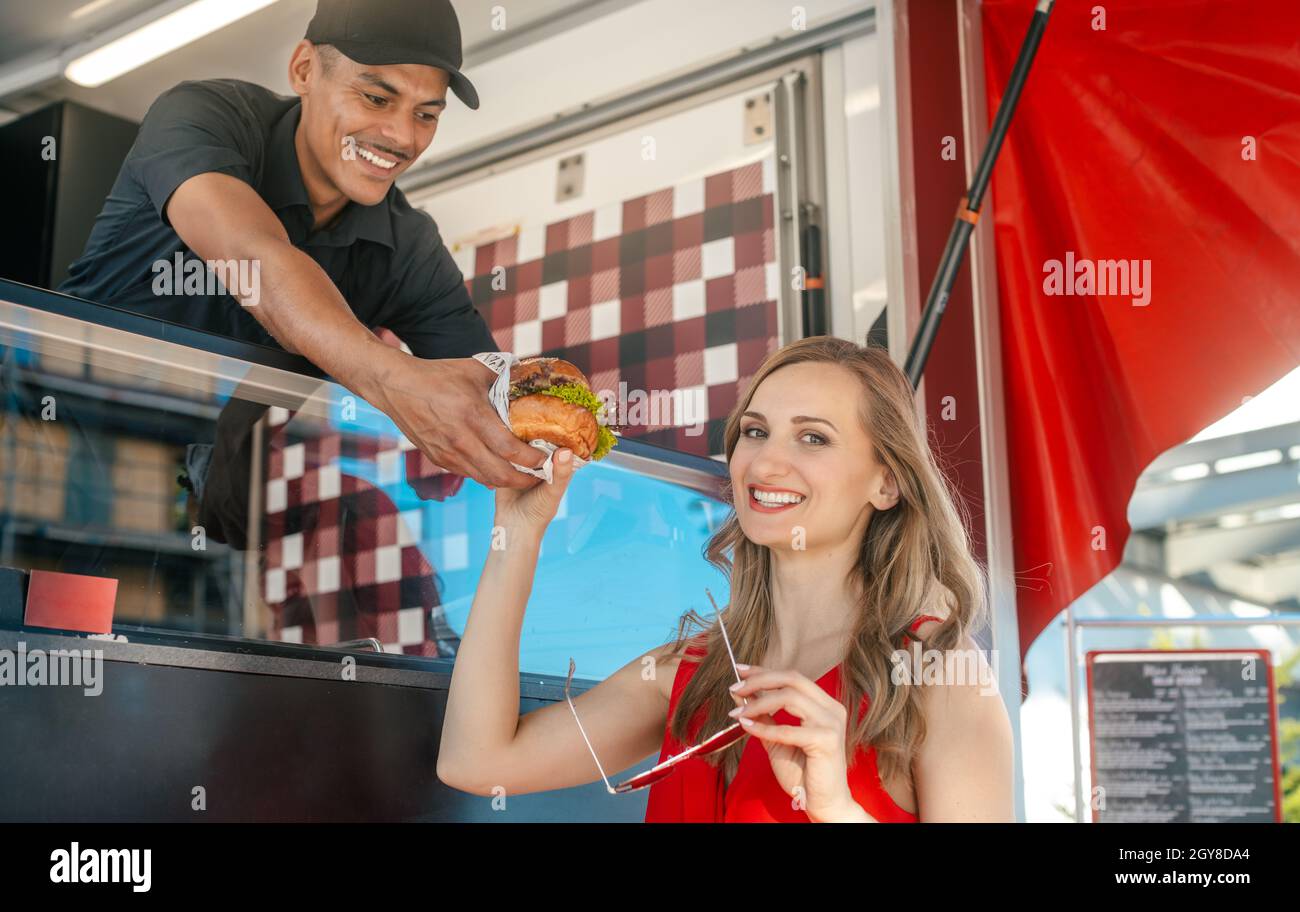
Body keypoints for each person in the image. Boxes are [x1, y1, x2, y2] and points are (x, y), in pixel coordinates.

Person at [437, 336, 1016, 822]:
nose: (765, 464)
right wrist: (516, 533)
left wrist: (836, 806)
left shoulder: (941, 678)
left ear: (886, 483)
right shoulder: (685, 672)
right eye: (756, 431)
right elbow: (477, 762)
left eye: (813, 437)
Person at [58, 0, 545, 495]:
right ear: (305, 69)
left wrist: (551, 450)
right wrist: (398, 382)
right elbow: (256, 261)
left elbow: (496, 403)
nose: (402, 136)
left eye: (425, 114)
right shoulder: (201, 118)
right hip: (44, 442)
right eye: (377, 99)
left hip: (193, 515)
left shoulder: (409, 248)